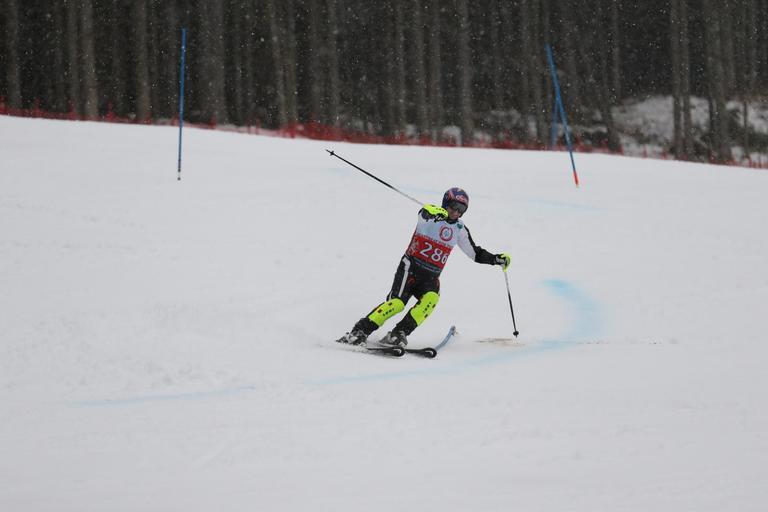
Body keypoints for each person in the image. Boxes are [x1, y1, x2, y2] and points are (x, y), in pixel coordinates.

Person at [336, 187, 510, 347]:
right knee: (396, 304)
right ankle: (359, 331)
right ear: (445, 203)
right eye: (454, 207)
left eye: (461, 209)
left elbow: (475, 253)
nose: (456, 212)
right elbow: (423, 214)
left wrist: (495, 259)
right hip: (410, 269)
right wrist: (433, 212)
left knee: (430, 300)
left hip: (431, 277)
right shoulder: (430, 216)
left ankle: (398, 334)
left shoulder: (460, 228)